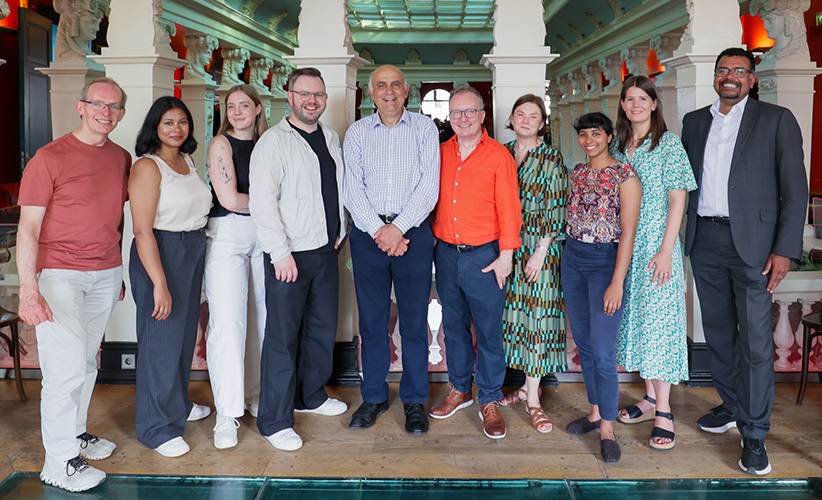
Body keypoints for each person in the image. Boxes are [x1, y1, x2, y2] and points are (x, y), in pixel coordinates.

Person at [681, 47, 807, 475]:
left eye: (739, 70)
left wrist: (784, 249)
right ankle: (732, 405)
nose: (729, 76)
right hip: (705, 240)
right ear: (714, 77)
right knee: (717, 334)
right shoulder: (694, 122)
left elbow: (795, 189)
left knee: (755, 343)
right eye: (723, 70)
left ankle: (754, 435)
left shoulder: (776, 119)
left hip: (755, 246)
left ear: (752, 79)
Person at [17, 77, 129, 492]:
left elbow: (113, 217)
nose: (105, 112)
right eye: (98, 104)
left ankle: (76, 434)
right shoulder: (49, 158)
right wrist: (29, 290)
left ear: (121, 113)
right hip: (60, 274)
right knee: (64, 371)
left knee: (85, 362)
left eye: (113, 107)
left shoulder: (121, 157)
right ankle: (59, 461)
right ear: (81, 107)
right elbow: (28, 228)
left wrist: (117, 270)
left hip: (105, 273)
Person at [249, 67, 348, 451]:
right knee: (283, 336)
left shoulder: (331, 137)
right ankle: (274, 420)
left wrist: (341, 231)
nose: (312, 101)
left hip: (325, 249)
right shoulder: (273, 143)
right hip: (288, 255)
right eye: (304, 94)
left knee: (321, 329)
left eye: (318, 94)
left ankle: (310, 396)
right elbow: (262, 204)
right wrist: (279, 254)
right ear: (289, 97)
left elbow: (335, 190)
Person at [343, 65, 440, 435]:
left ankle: (414, 400)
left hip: (413, 235)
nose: (389, 91)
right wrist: (379, 231)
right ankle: (373, 397)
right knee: (372, 322)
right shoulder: (357, 132)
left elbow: (429, 186)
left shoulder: (425, 129)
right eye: (381, 85)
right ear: (371, 93)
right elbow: (352, 189)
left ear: (406, 90)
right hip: (368, 237)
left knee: (414, 322)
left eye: (395, 84)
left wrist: (398, 229)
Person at [429, 85, 522, 440]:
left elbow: (510, 209)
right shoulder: (439, 153)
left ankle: (490, 397)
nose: (463, 118)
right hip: (446, 254)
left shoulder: (499, 156)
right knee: (453, 327)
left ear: (483, 116)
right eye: (456, 112)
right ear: (449, 118)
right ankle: (459, 389)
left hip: (485, 256)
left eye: (470, 111)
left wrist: (506, 255)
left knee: (488, 331)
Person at [612, 76, 697, 451]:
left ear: (654, 103)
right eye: (629, 99)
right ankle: (648, 398)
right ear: (623, 105)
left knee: (659, 326)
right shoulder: (617, 145)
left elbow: (678, 201)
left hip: (657, 247)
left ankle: (664, 410)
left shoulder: (669, 143)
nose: (636, 105)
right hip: (625, 248)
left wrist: (666, 251)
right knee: (637, 323)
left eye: (642, 99)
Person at [129, 96, 213, 458]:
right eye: (168, 122)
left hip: (190, 249)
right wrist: (159, 283)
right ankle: (156, 427)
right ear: (155, 126)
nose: (176, 129)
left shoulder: (186, 160)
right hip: (161, 252)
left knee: (181, 337)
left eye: (182, 122)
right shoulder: (148, 166)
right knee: (160, 340)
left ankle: (176, 404)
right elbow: (142, 230)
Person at [562, 112, 641, 464]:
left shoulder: (625, 175)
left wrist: (616, 282)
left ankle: (608, 428)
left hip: (605, 262)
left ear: (609, 136)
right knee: (584, 343)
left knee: (604, 351)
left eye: (596, 133)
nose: (589, 140)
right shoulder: (578, 173)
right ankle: (595, 413)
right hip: (572, 259)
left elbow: (629, 233)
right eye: (583, 134)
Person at [497, 94, 568, 434]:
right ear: (512, 118)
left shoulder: (551, 156)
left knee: (538, 318)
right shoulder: (503, 152)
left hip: (541, 246)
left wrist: (540, 251)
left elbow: (557, 205)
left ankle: (534, 400)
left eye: (533, 115)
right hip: (508, 245)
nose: (526, 120)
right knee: (515, 317)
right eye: (520, 114)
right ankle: (526, 387)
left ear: (542, 123)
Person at [204, 84, 268, 450]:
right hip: (228, 235)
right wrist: (272, 203)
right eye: (231, 106)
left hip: (265, 235)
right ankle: (226, 414)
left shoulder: (268, 144)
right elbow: (229, 199)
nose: (237, 112)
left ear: (258, 109)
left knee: (261, 319)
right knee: (228, 323)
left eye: (245, 105)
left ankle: (253, 395)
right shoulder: (220, 144)